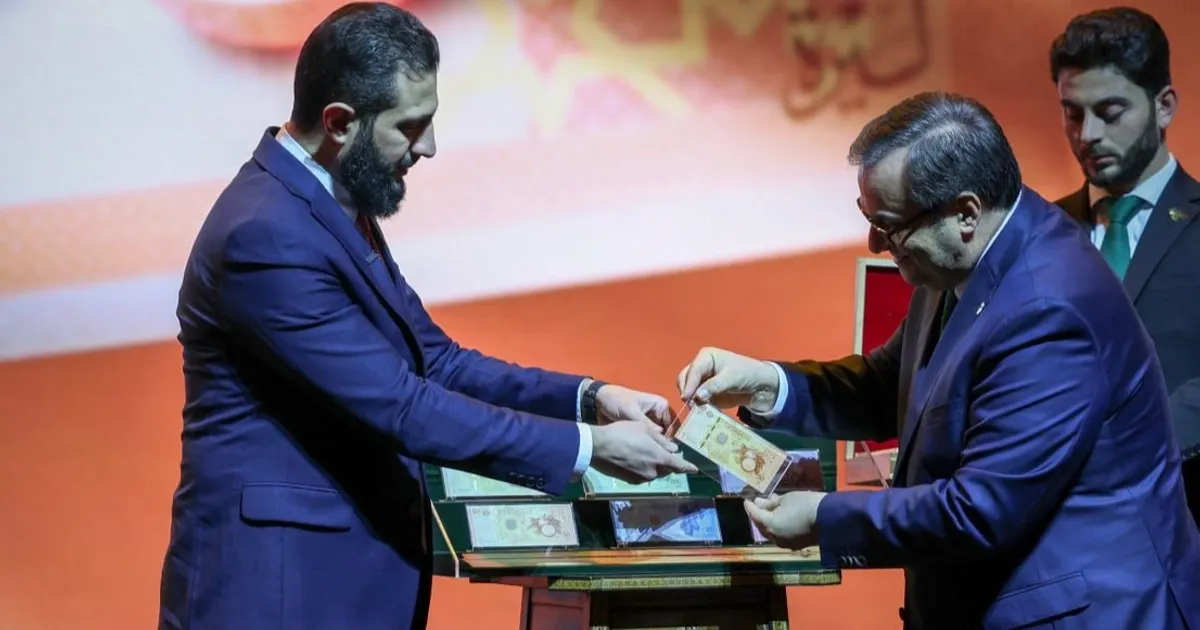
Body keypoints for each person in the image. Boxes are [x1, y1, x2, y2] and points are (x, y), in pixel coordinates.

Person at [159, 4, 696, 629]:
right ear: (340, 123)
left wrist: (590, 400)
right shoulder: (265, 233)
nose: (429, 147)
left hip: (337, 586)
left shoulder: (323, 202)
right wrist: (589, 450)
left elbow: (437, 362)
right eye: (411, 127)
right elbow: (402, 406)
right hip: (281, 594)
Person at [676, 91, 1200, 629]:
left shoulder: (1047, 309)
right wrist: (769, 385)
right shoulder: (963, 255)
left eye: (889, 225)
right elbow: (890, 386)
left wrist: (823, 516)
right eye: (868, 217)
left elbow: (981, 510)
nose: (876, 242)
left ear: (965, 213)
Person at [1049, 6, 1200, 529]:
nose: (1087, 134)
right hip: (1058, 545)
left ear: (1164, 106)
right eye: (1073, 113)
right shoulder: (1038, 237)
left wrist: (1122, 452)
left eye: (1109, 112)